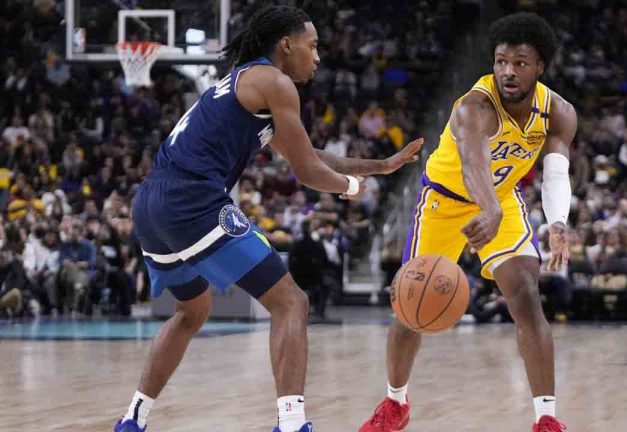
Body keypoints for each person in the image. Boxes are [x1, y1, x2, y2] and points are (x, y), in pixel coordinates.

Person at [114, 6, 423, 432]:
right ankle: (293, 424)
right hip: (193, 200)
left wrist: (379, 166)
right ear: (286, 44)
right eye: (312, 46)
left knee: (191, 312)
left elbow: (311, 154)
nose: (317, 57)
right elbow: (308, 173)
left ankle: (133, 419)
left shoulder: (246, 84)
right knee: (291, 302)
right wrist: (352, 190)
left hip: (150, 203)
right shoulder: (274, 82)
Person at [359, 12, 575, 432]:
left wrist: (559, 222)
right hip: (444, 201)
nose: (508, 71)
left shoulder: (559, 113)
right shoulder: (474, 106)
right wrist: (487, 208)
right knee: (410, 305)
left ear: (541, 66)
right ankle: (395, 403)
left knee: (527, 295)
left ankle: (546, 418)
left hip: (503, 201)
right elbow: (474, 162)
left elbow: (555, 173)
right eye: (500, 61)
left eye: (520, 63)